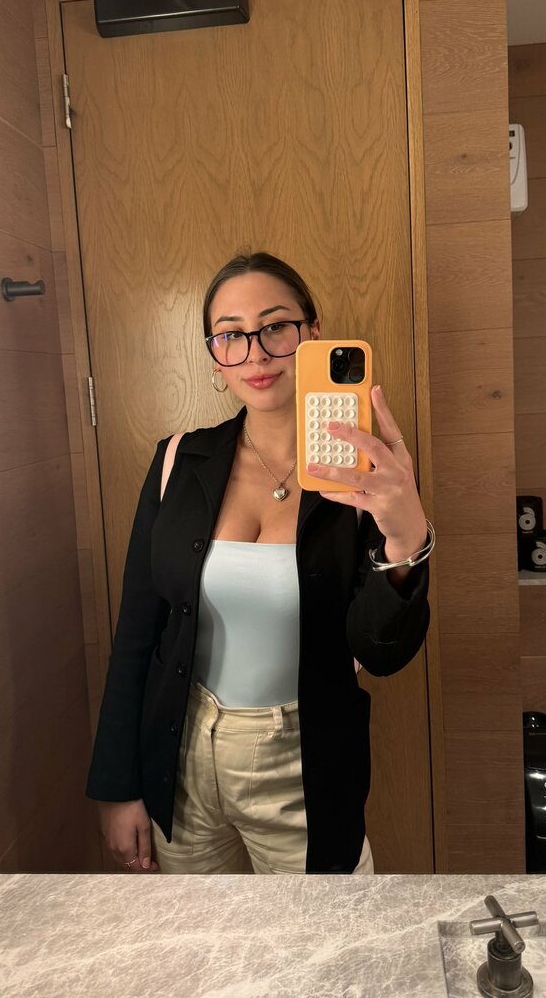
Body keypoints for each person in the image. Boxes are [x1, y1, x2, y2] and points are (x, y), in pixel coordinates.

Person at [85, 251, 433, 874]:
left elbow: (381, 653)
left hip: (306, 762)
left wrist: (406, 537)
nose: (256, 354)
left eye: (276, 327)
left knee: (326, 932)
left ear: (313, 334)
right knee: (199, 934)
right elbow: (138, 632)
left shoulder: (366, 478)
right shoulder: (177, 463)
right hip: (181, 757)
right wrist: (118, 785)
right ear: (215, 357)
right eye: (231, 335)